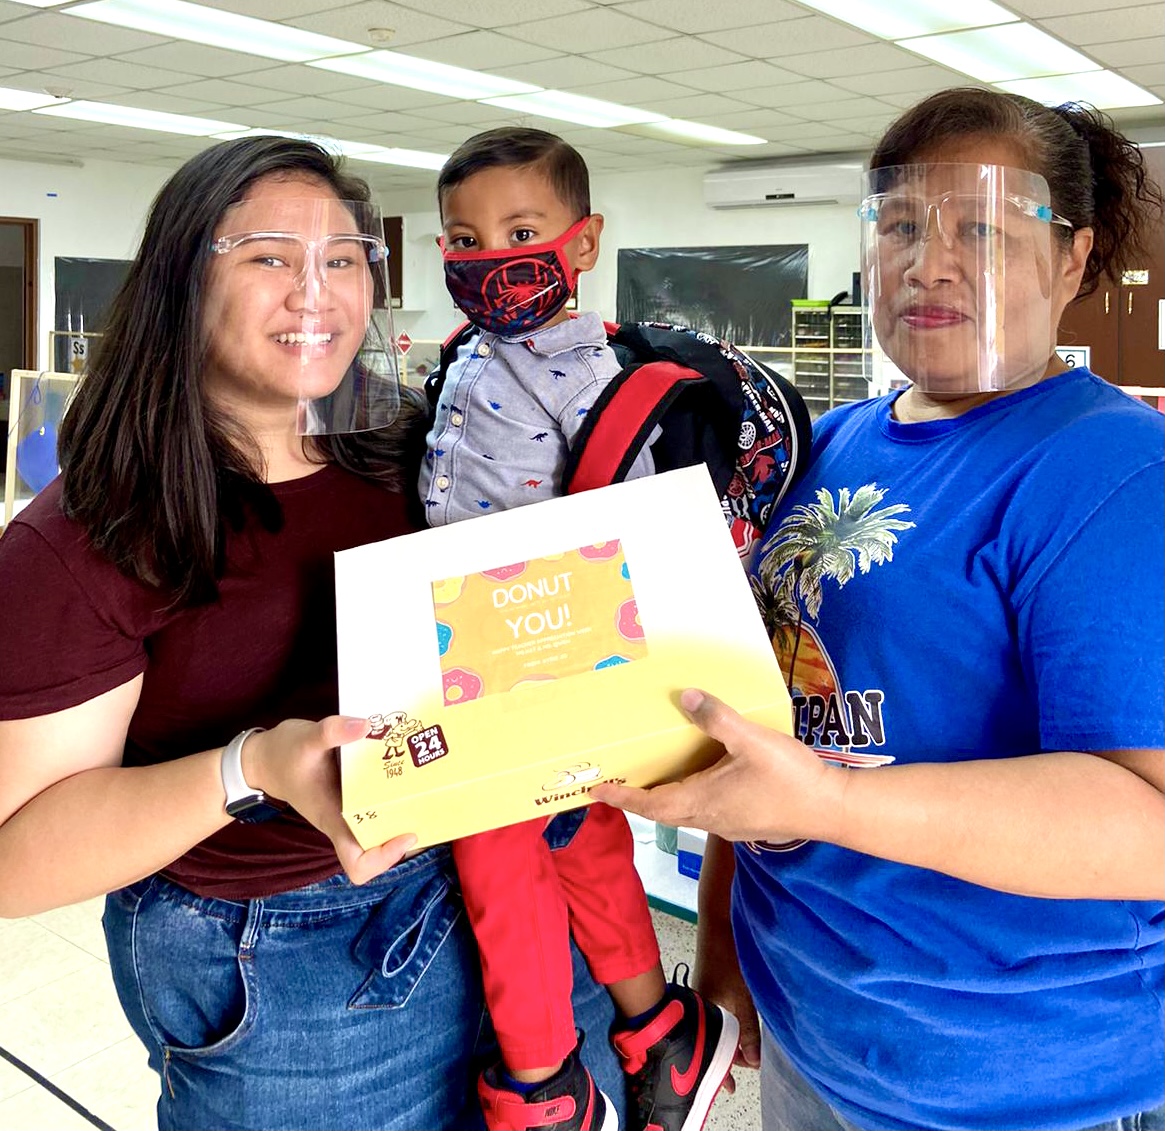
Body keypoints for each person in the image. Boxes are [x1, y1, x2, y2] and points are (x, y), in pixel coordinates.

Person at [0, 135, 625, 1131]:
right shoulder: (90, 535)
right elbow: (16, 860)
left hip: (504, 895)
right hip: (283, 956)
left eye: (342, 258)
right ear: (182, 281)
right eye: (268, 257)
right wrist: (250, 768)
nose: (315, 293)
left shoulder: (412, 456)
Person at [592, 88, 1165, 1131]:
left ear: (1072, 259)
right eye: (901, 224)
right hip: (820, 1038)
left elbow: (1147, 822)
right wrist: (721, 938)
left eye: (981, 228)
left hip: (1029, 1082)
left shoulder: (1115, 474)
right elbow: (765, 726)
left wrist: (825, 805)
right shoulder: (827, 447)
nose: (928, 262)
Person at [420, 127, 739, 1131]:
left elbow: (642, 537)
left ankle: (545, 1082)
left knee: (490, 849)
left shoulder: (598, 379)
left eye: (521, 230)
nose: (489, 260)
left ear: (584, 241)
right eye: (462, 239)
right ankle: (659, 1031)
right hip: (461, 643)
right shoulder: (463, 357)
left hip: (548, 650)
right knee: (583, 835)